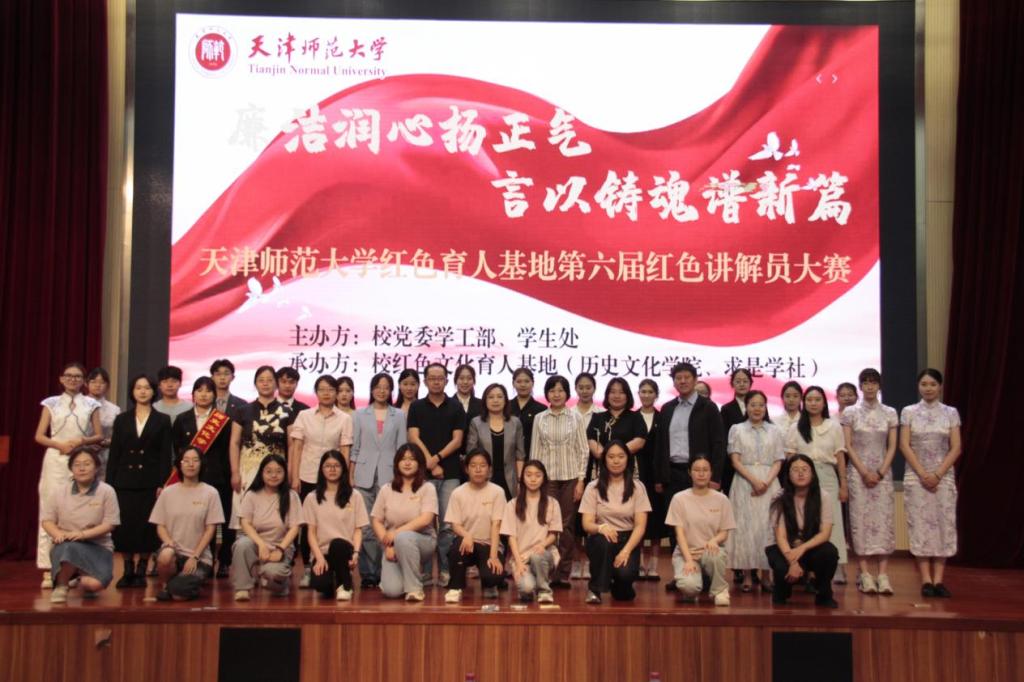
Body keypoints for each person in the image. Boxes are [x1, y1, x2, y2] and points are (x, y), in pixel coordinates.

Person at [34, 362, 103, 588]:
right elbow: (39, 436)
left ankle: (73, 567)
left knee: (78, 511)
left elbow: (99, 435)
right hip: (56, 460)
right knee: (49, 510)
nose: (73, 379)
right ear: (61, 379)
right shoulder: (51, 403)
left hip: (81, 458)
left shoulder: (91, 404)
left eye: (78, 376)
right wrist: (59, 445)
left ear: (84, 381)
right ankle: (48, 568)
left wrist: (82, 441)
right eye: (69, 376)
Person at [654, 362, 726, 571]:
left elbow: (719, 444)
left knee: (701, 523)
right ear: (674, 382)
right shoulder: (667, 409)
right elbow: (660, 445)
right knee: (675, 525)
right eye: (678, 378)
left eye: (687, 377)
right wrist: (659, 477)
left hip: (700, 475)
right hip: (673, 474)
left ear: (695, 380)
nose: (683, 381)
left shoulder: (708, 407)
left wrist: (715, 477)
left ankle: (704, 570)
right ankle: (682, 570)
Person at [106, 374, 173, 589]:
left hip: (150, 481)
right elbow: (115, 453)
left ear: (154, 391)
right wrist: (110, 484)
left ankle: (142, 568)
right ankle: (127, 569)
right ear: (132, 392)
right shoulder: (122, 419)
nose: (143, 391)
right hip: (124, 480)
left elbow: (165, 455)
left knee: (146, 526)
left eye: (147, 388)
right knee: (125, 525)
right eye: (138, 388)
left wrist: (163, 483)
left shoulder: (162, 420)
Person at [899, 368, 961, 598]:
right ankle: (925, 580)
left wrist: (938, 474)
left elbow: (956, 447)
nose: (928, 388)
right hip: (916, 476)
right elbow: (904, 445)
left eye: (933, 384)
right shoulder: (909, 412)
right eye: (924, 384)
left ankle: (939, 580)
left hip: (943, 477)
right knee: (920, 525)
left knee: (944, 525)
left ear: (940, 387)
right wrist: (924, 474)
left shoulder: (950, 412)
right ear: (918, 387)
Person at [288, 374, 353, 587]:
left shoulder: (345, 418)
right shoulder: (304, 415)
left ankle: (334, 564)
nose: (327, 393)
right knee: (309, 524)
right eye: (322, 389)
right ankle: (308, 566)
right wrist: (294, 477)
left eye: (331, 389)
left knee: (332, 521)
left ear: (337, 393)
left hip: (333, 478)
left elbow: (345, 450)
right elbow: (297, 447)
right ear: (316, 392)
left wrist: (345, 478)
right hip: (307, 475)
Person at [581, 378, 646, 579]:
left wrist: (618, 455)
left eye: (621, 392)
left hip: (628, 473)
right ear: (607, 395)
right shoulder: (598, 417)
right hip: (600, 472)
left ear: (628, 395)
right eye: (612, 391)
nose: (616, 395)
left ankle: (628, 558)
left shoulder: (635, 417)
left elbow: (640, 440)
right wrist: (606, 456)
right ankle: (597, 568)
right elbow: (591, 440)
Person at [841, 368, 898, 595]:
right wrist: (864, 471)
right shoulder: (851, 413)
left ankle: (883, 575)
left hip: (882, 475)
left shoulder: (890, 412)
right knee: (860, 522)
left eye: (874, 382)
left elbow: (892, 446)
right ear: (860, 386)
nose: (870, 386)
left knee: (884, 522)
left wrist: (880, 472)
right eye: (865, 382)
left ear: (879, 385)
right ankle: (865, 574)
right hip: (858, 474)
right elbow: (848, 445)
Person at [406, 362, 465, 587]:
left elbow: (457, 440)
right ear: (425, 381)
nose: (436, 382)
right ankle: (424, 572)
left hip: (450, 474)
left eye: (440, 378)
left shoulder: (456, 406)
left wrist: (437, 458)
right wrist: (429, 463)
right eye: (432, 378)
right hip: (422, 474)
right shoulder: (416, 407)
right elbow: (413, 437)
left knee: (448, 526)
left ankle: (445, 571)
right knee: (424, 524)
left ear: (447, 381)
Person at [784, 386, 849, 584]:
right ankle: (807, 569)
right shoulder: (796, 427)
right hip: (802, 478)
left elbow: (840, 456)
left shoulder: (834, 426)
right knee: (807, 522)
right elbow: (790, 456)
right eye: (809, 399)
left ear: (824, 403)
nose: (813, 403)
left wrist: (843, 484)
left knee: (830, 522)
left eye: (817, 399)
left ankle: (832, 568)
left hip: (828, 477)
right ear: (804, 403)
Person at [171, 376, 234, 577]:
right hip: (189, 477)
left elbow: (227, 451)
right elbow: (177, 448)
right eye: (199, 390)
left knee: (221, 520)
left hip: (217, 477)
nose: (204, 395)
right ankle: (193, 559)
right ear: (193, 395)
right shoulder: (182, 419)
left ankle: (223, 561)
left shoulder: (222, 421)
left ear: (214, 395)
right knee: (193, 519)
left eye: (208, 391)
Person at [530, 375, 588, 589]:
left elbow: (583, 450)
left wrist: (581, 480)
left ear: (567, 394)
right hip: (547, 480)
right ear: (546, 394)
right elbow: (535, 451)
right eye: (552, 390)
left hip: (570, 478)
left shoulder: (576, 417)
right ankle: (546, 571)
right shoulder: (540, 418)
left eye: (561, 390)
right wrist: (534, 480)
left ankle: (563, 573)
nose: (556, 394)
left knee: (566, 526)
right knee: (545, 524)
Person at [42, 447, 120, 603]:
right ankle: (62, 586)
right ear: (71, 468)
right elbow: (47, 521)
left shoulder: (107, 491)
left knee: (93, 584)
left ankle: (78, 577)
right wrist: (58, 534)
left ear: (96, 467)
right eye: (77, 464)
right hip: (67, 543)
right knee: (68, 548)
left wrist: (82, 535)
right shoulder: (59, 492)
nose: (82, 468)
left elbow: (110, 524)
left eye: (87, 464)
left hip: (98, 546)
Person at [351, 373, 407, 588]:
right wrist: (350, 474)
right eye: (378, 386)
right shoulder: (359, 414)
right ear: (371, 389)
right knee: (365, 526)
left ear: (391, 391)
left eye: (386, 387)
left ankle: (386, 570)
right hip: (363, 474)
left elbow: (402, 448)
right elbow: (355, 448)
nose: (382, 391)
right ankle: (368, 573)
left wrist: (401, 476)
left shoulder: (399, 415)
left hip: (389, 476)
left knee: (387, 524)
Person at [725, 391, 784, 592]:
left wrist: (766, 482)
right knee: (745, 527)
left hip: (770, 482)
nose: (757, 409)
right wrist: (754, 480)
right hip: (744, 481)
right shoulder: (737, 429)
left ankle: (766, 575)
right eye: (753, 405)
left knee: (767, 527)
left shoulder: (775, 430)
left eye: (761, 405)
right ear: (746, 407)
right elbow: (735, 460)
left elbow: (778, 460)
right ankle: (748, 574)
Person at [149, 447, 224, 601]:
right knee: (166, 555)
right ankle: (168, 586)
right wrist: (168, 543)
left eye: (195, 460)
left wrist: (195, 556)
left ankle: (176, 588)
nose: (191, 464)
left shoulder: (211, 493)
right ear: (179, 464)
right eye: (186, 460)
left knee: (178, 596)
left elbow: (210, 529)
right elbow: (160, 524)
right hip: (174, 553)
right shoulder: (168, 492)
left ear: (201, 464)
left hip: (199, 557)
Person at [579, 441, 650, 603]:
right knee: (604, 542)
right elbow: (586, 524)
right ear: (604, 460)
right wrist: (601, 527)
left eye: (620, 456)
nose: (616, 461)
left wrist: (626, 551)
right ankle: (595, 589)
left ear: (628, 459)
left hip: (628, 539)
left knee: (624, 581)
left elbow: (640, 526)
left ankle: (619, 583)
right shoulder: (593, 487)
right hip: (603, 538)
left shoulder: (638, 487)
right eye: (611, 457)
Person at [766, 455, 840, 608]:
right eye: (795, 470)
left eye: (805, 469)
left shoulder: (823, 496)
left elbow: (825, 534)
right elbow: (780, 536)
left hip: (809, 546)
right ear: (788, 475)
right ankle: (781, 591)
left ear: (812, 473)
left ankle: (823, 594)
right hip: (784, 547)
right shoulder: (779, 497)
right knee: (781, 569)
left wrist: (802, 548)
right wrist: (793, 562)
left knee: (829, 552)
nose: (800, 473)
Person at [665, 454, 736, 606]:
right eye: (697, 470)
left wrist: (714, 540)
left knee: (715, 555)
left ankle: (719, 590)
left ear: (711, 473)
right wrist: (689, 560)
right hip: (686, 552)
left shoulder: (722, 499)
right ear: (689, 472)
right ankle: (695, 582)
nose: (701, 474)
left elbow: (724, 532)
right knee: (689, 588)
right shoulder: (679, 498)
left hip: (710, 551)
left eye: (705, 470)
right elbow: (679, 534)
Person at [371, 444, 439, 601]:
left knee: (403, 538)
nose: (407, 463)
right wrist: (388, 546)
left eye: (412, 459)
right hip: (393, 544)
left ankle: (415, 589)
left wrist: (396, 533)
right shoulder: (386, 489)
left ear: (419, 464)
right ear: (397, 464)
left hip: (423, 541)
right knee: (392, 592)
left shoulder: (427, 487)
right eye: (403, 459)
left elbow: (426, 519)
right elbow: (376, 520)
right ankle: (405, 576)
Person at [231, 454, 303, 601]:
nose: (273, 475)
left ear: (285, 473)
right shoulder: (251, 494)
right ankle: (243, 588)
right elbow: (245, 522)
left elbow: (295, 527)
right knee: (241, 544)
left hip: (281, 547)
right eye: (269, 471)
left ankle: (274, 580)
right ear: (261, 473)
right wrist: (261, 544)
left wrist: (280, 549)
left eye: (278, 471)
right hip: (258, 544)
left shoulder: (292, 496)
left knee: (273, 574)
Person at [303, 451, 368, 601]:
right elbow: (311, 533)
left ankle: (346, 585)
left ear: (343, 469)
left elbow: (358, 530)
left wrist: (356, 553)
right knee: (321, 585)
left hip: (344, 550)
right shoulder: (312, 498)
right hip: (323, 552)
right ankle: (336, 578)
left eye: (336, 466)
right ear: (321, 469)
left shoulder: (355, 495)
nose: (332, 469)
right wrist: (319, 558)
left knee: (337, 544)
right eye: (328, 466)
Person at [443, 449, 507, 602]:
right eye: (473, 465)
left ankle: (491, 583)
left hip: (489, 545)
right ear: (466, 469)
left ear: (489, 469)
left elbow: (496, 525)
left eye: (483, 465)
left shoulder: (497, 492)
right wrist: (467, 535)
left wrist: (493, 557)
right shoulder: (458, 493)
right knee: (456, 548)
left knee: (492, 577)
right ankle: (455, 587)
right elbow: (455, 524)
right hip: (467, 543)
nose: (478, 469)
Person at [501, 460, 562, 603]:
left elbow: (554, 534)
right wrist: (518, 562)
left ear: (544, 478)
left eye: (537, 475)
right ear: (522, 478)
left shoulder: (552, 503)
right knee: (527, 588)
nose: (533, 479)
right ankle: (531, 585)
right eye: (528, 475)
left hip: (543, 554)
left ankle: (544, 591)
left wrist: (542, 544)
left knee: (537, 557)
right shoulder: (512, 505)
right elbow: (511, 537)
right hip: (522, 557)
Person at [229, 365, 295, 499]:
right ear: (255, 384)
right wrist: (235, 472)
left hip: (276, 472)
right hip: (247, 470)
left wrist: (290, 472)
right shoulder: (242, 411)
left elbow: (292, 445)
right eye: (261, 380)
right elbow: (234, 443)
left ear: (276, 384)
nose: (265, 383)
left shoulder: (287, 412)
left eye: (270, 380)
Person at [466, 383, 525, 500]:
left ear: (505, 400)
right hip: (484, 477)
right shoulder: (476, 423)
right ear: (485, 401)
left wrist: (520, 481)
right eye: (491, 397)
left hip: (510, 479)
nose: (495, 400)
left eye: (499, 397)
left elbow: (520, 455)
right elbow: (471, 454)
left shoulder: (515, 422)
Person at [636, 378, 666, 580]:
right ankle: (638, 564)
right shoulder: (632, 417)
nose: (646, 395)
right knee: (637, 519)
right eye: (643, 391)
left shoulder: (663, 417)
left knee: (656, 521)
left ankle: (654, 565)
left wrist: (661, 477)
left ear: (656, 395)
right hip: (637, 474)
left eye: (650, 392)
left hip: (656, 476)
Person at [719, 369, 754, 496]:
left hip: (754, 461)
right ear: (732, 384)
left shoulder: (759, 406)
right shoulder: (726, 409)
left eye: (745, 381)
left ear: (750, 383)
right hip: (733, 463)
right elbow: (723, 438)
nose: (742, 384)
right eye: (738, 381)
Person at [85, 367, 121, 479]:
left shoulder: (114, 409)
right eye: (93, 381)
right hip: (81, 452)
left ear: (108, 386)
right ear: (86, 384)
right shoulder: (78, 405)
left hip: (105, 455)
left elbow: (118, 436)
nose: (98, 385)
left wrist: (106, 442)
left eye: (102, 382)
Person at [510, 368, 547, 457]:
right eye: (519, 381)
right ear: (513, 384)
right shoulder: (506, 406)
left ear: (532, 383)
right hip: (509, 455)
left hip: (533, 455)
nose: (523, 385)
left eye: (527, 381)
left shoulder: (542, 409)